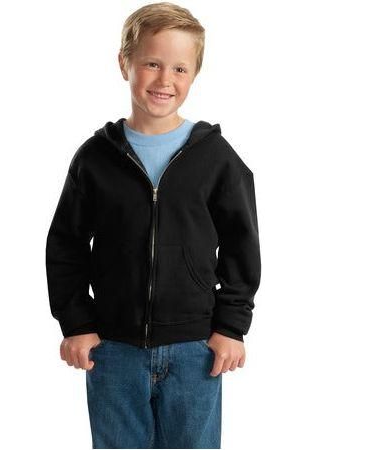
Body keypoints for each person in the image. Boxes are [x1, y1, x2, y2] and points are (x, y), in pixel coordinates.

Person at [45, 2, 261, 448]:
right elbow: (66, 244)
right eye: (152, 64)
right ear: (125, 63)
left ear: (194, 74)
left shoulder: (216, 158)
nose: (165, 80)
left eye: (180, 68)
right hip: (112, 348)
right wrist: (76, 322)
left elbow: (242, 244)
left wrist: (231, 326)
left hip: (195, 350)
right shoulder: (95, 158)